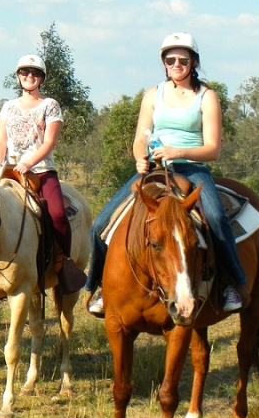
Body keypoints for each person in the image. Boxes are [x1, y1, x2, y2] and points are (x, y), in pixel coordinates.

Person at [84, 32, 247, 316]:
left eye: (183, 59)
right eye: (170, 59)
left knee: (217, 219)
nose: (177, 64)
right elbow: (139, 138)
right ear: (164, 63)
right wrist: (139, 158)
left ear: (194, 62)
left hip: (192, 168)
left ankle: (229, 284)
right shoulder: (153, 94)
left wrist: (177, 152)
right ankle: (98, 286)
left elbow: (213, 149)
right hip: (154, 167)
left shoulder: (206, 97)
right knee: (100, 223)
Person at [0, 54, 86, 292]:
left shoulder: (50, 105)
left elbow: (48, 142)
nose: (29, 77)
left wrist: (29, 162)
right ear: (18, 76)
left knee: (56, 214)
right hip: (9, 171)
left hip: (41, 171)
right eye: (25, 72)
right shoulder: (8, 107)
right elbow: (0, 139)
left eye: (34, 73)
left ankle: (62, 262)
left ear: (41, 78)